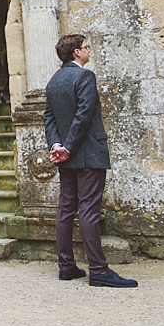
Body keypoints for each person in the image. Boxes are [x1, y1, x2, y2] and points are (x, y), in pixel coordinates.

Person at [43, 35, 138, 288]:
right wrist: (69, 148)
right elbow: (84, 115)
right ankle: (99, 270)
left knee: (65, 210)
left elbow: (48, 119)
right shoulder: (85, 76)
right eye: (86, 47)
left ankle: (66, 266)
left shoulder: (53, 81)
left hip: (66, 155)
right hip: (87, 154)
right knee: (88, 211)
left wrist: (57, 146)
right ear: (76, 52)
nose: (89, 51)